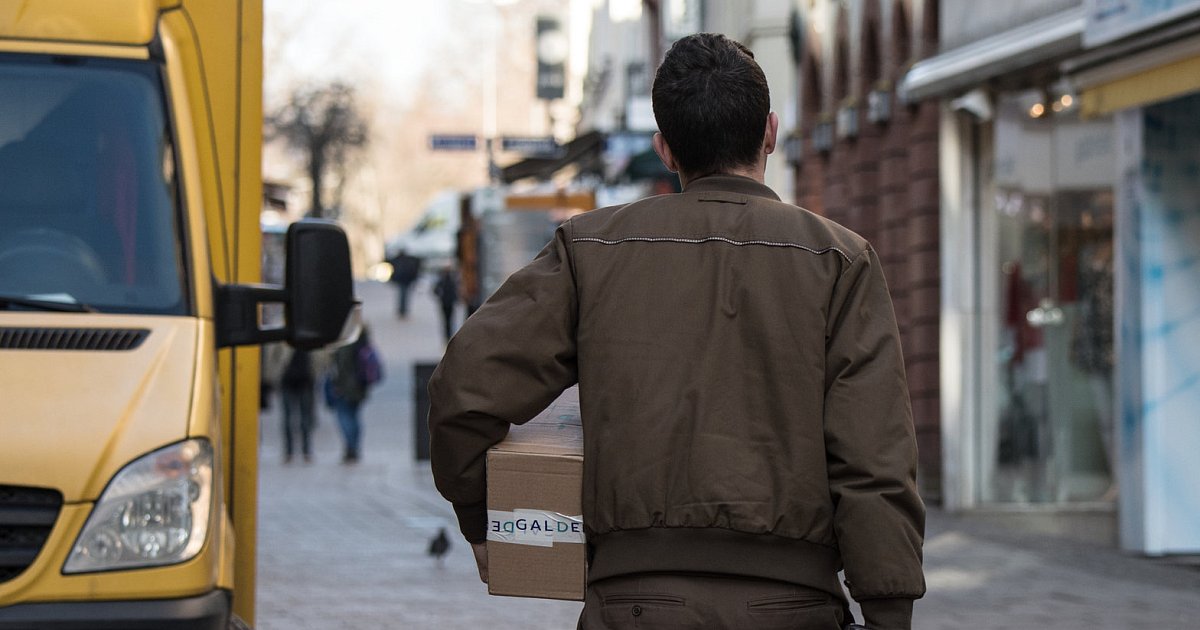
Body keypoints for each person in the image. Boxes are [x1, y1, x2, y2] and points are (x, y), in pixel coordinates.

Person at [428, 33, 925, 630]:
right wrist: (888, 610)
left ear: (665, 149)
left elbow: (464, 386)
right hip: (795, 603)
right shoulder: (842, 262)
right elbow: (875, 457)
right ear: (769, 132)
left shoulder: (590, 251)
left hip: (632, 601)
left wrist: (484, 518)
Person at [326, 327, 379, 463]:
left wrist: (338, 384)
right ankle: (354, 446)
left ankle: (351, 448)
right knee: (354, 417)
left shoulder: (345, 343)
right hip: (360, 387)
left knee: (344, 417)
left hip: (346, 388)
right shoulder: (363, 339)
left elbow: (342, 366)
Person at [279, 348, 317, 463]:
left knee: (303, 419)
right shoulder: (311, 336)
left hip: (303, 381)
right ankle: (291, 451)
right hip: (290, 381)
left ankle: (303, 451)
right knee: (290, 419)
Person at [388, 248, 422, 318]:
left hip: (403, 280)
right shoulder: (408, 259)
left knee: (403, 294)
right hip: (406, 280)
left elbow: (389, 261)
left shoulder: (399, 259)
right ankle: (403, 310)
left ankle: (402, 310)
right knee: (404, 294)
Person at [432, 267, 459, 342]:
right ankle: (448, 335)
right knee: (448, 320)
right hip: (447, 302)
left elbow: (435, 290)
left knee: (447, 320)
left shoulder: (444, 281)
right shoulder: (450, 281)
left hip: (446, 302)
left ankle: (448, 335)